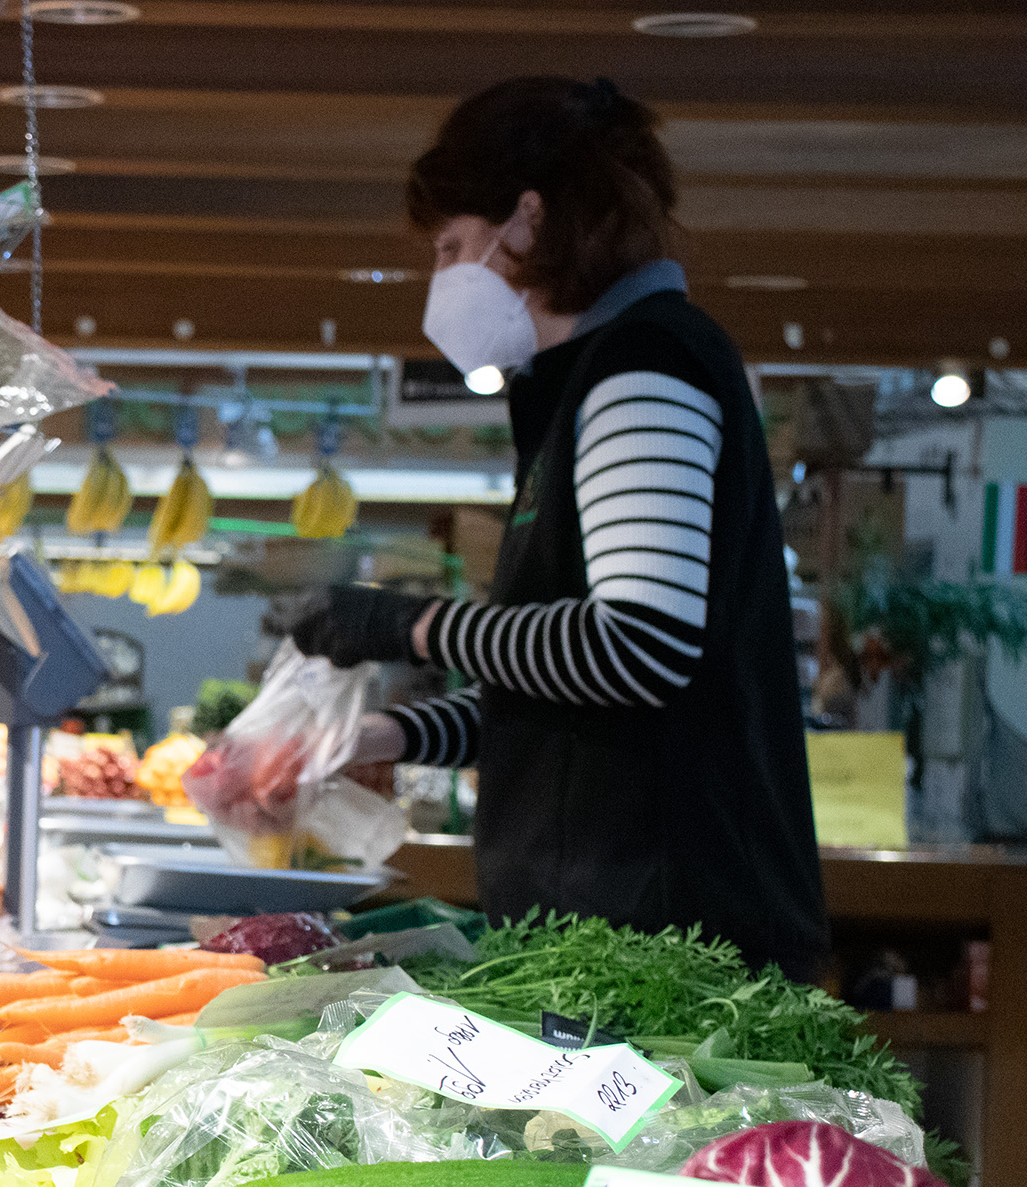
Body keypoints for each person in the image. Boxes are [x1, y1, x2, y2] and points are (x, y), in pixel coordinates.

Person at [284, 76, 826, 976]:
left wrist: (407, 624)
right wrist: (396, 735)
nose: (441, 276)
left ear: (527, 221)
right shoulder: (592, 382)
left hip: (667, 948)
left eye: (452, 246)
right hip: (618, 937)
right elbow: (575, 695)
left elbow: (637, 647)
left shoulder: (645, 370)